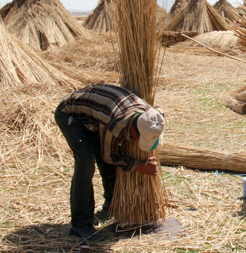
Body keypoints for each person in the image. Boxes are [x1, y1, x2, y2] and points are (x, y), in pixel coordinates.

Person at [55, 84, 165, 241]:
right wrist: (140, 166)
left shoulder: (153, 116)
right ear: (133, 130)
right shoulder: (116, 124)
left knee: (104, 152)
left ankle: (111, 203)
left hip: (97, 113)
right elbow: (110, 157)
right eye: (141, 138)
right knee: (86, 164)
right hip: (71, 113)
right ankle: (80, 225)